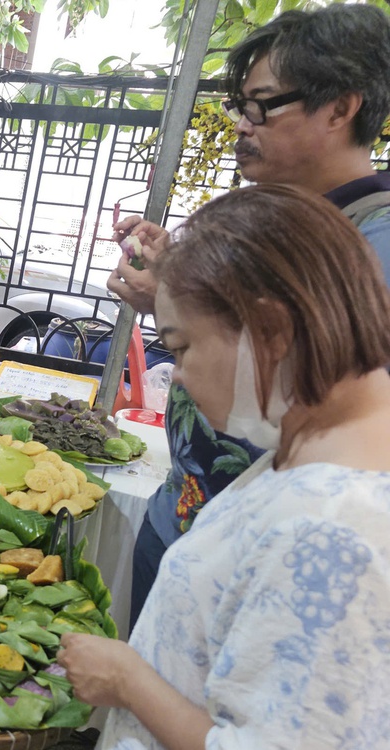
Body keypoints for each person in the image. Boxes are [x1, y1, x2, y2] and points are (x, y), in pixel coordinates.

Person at [59, 183, 390, 749]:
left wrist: (127, 681)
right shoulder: (312, 446)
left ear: (271, 331)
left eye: (181, 347)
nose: (179, 377)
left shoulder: (336, 528)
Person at [106, 3, 390, 631]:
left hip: (269, 563)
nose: (241, 122)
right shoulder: (278, 220)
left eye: (262, 104)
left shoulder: (376, 243)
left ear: (341, 108)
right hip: (186, 517)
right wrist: (178, 288)